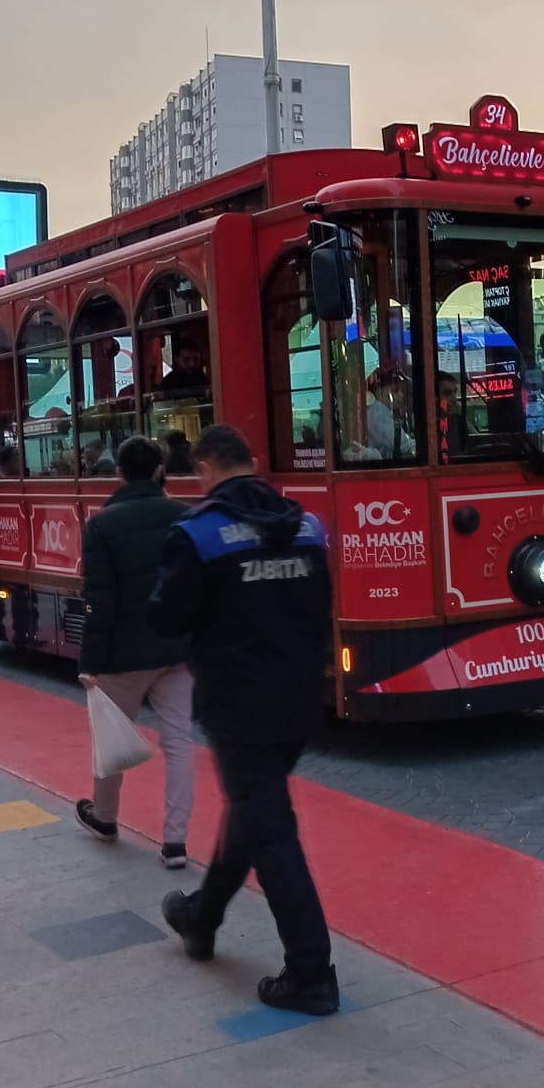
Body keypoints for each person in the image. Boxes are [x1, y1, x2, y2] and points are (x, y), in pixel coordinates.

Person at [151, 425, 337, 1014]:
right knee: (255, 813)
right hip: (300, 699)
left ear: (205, 468)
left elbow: (165, 620)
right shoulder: (307, 527)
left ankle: (311, 973)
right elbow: (320, 608)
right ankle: (199, 917)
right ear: (252, 462)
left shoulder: (198, 534)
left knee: (271, 830)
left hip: (238, 705)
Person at [74, 435, 196, 870]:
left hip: (123, 654)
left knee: (112, 739)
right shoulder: (186, 516)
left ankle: (105, 818)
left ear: (119, 474)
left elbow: (99, 599)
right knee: (180, 741)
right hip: (178, 649)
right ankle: (176, 843)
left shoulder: (102, 524)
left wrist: (90, 662)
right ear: (161, 471)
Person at [365, 366, 416, 461]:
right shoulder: (378, 411)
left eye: (403, 391)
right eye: (395, 390)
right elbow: (403, 445)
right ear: (379, 391)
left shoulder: (385, 411)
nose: (401, 395)